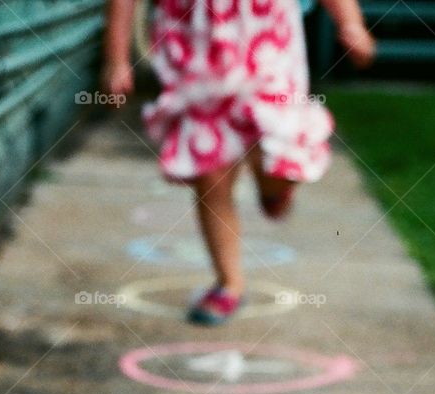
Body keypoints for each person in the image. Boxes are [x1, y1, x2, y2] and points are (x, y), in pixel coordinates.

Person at [102, 0, 376, 323]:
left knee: (276, 148)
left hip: (266, 42)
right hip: (196, 48)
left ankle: (274, 186)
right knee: (210, 170)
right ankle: (229, 283)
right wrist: (117, 58)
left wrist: (350, 22)